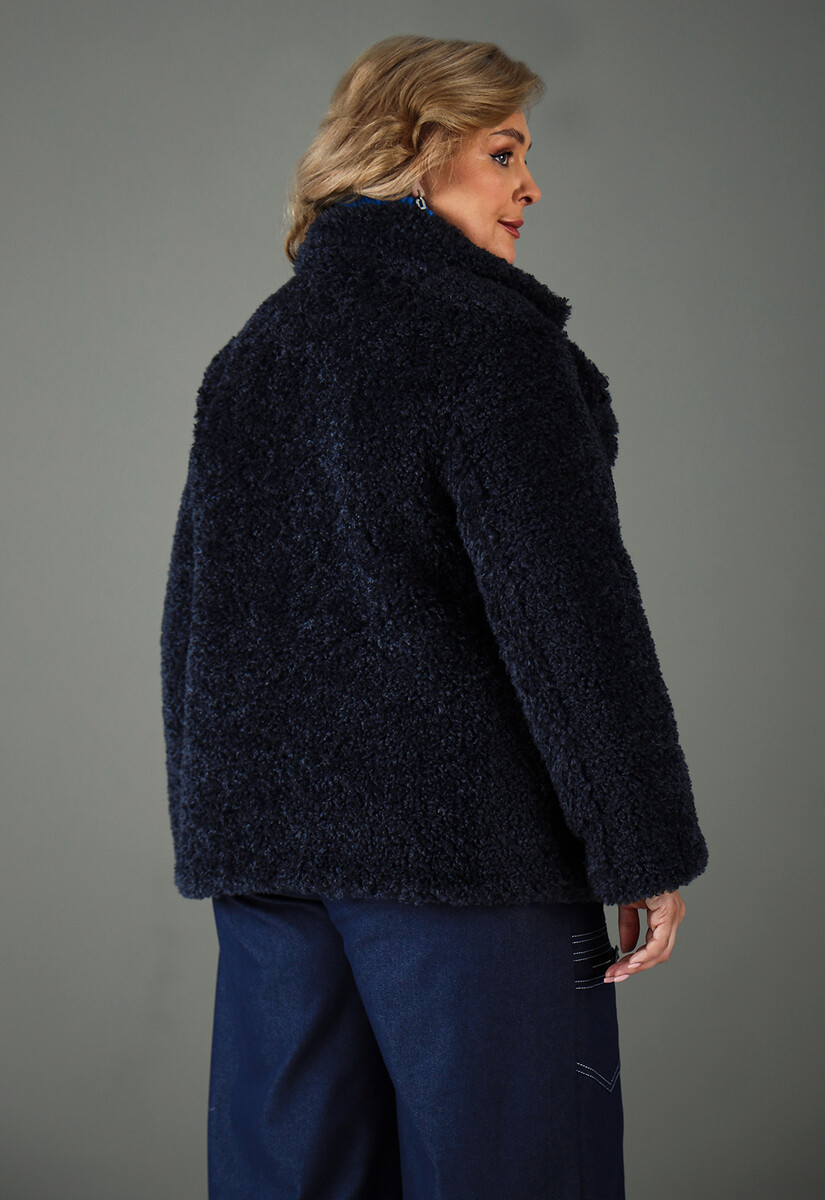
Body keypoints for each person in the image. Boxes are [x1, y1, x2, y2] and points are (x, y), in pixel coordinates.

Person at [161, 34, 709, 1200]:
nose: (531, 187)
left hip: (274, 867)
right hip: (465, 861)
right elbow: (569, 618)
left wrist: (224, 827)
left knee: (290, 1180)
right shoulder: (490, 340)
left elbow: (195, 624)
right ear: (417, 151)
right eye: (504, 152)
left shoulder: (252, 355)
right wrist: (641, 842)